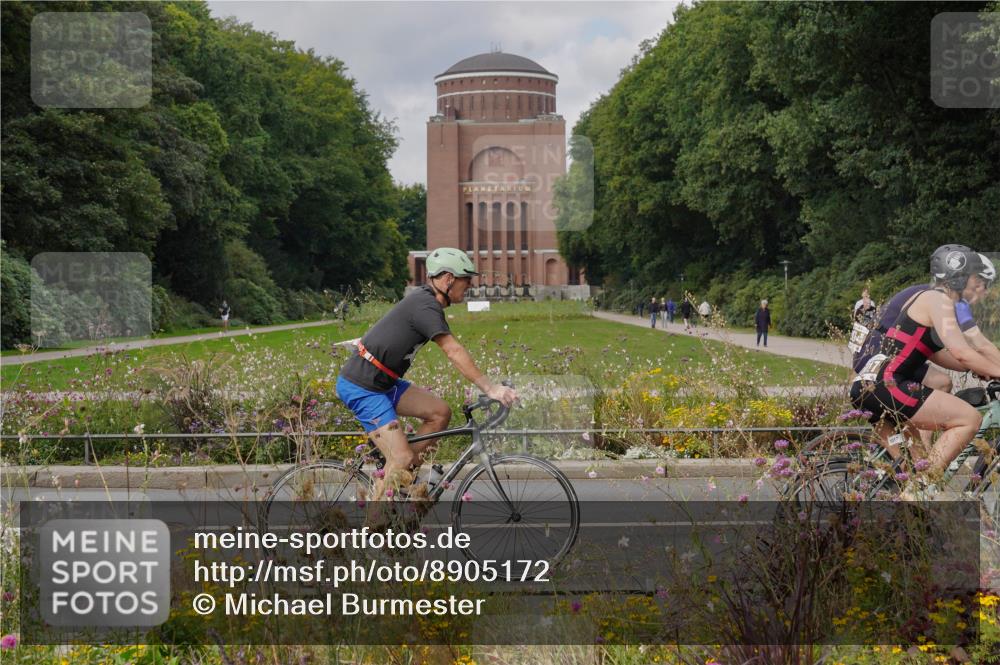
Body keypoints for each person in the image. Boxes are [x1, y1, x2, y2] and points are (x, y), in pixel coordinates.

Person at [336, 248, 518, 500]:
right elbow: (453, 350)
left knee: (439, 413)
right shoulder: (425, 306)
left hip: (384, 382)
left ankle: (401, 481)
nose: (470, 285)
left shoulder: (426, 302)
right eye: (466, 279)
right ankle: (374, 528)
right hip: (363, 385)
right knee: (400, 457)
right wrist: (490, 388)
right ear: (448, 278)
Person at [849, 246, 1000, 482]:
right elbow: (963, 352)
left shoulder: (930, 299)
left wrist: (979, 368)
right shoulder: (939, 301)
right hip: (888, 385)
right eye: (973, 277)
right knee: (969, 419)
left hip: (870, 384)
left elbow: (940, 355)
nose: (977, 286)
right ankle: (924, 487)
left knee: (918, 464)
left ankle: (917, 502)